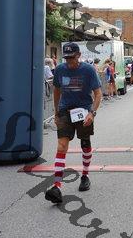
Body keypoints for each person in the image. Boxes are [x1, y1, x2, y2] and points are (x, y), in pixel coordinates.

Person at [45, 42, 102, 204]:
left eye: (72, 57)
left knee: (85, 144)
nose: (69, 61)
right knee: (61, 146)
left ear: (79, 56)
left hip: (83, 111)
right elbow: (57, 91)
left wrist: (92, 113)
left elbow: (98, 94)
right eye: (67, 58)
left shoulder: (88, 70)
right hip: (65, 111)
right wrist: (56, 112)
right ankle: (57, 186)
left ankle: (85, 175)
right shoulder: (60, 69)